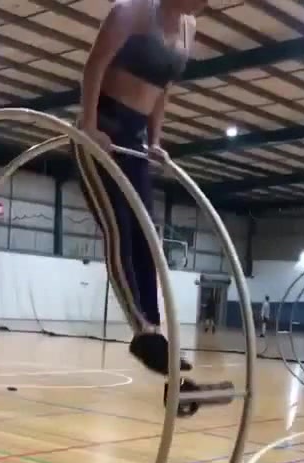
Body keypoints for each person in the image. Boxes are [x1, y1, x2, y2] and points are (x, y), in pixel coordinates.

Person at [73, 0, 207, 375]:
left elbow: (162, 89)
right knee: (119, 229)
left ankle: (154, 333)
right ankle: (142, 331)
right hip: (103, 131)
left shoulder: (188, 29)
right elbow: (95, 65)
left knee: (148, 239)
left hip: (134, 139)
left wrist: (155, 140)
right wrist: (89, 126)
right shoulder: (131, 11)